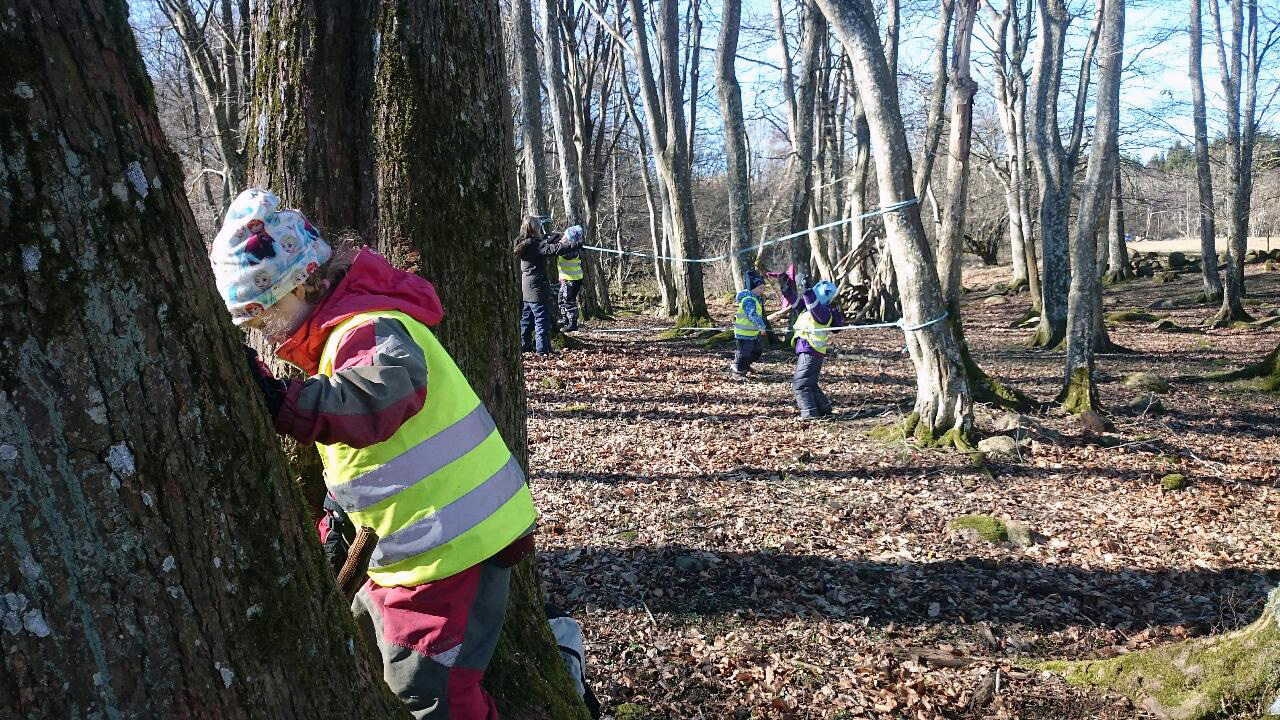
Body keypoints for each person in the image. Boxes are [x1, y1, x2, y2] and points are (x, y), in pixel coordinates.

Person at [210, 188, 538, 719]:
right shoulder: (343, 338)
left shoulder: (367, 326)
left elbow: (382, 396)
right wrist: (340, 511)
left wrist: (282, 402)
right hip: (428, 546)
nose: (268, 336)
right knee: (364, 638)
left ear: (308, 282)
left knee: (429, 693)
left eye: (265, 315)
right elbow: (376, 449)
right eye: (254, 326)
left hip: (453, 548)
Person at [515, 216, 580, 353]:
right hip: (536, 289)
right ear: (535, 229)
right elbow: (554, 249)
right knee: (542, 320)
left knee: (527, 319)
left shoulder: (526, 242)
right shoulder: (534, 245)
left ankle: (525, 346)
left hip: (527, 288)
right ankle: (542, 351)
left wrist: (554, 238)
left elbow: (546, 244)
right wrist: (573, 244)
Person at [792, 280, 843, 419]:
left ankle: (809, 414)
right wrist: (785, 283)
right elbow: (795, 303)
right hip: (810, 351)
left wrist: (808, 291)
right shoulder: (810, 308)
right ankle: (824, 409)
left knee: (800, 384)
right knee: (809, 383)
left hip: (811, 351)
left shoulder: (824, 311)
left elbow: (814, 307)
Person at [729, 270, 768, 376]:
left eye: (763, 287)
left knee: (757, 351)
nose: (762, 289)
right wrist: (761, 326)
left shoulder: (757, 299)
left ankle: (745, 365)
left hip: (752, 333)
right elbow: (752, 315)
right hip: (743, 333)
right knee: (743, 353)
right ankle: (738, 370)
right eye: (760, 287)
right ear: (753, 288)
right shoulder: (749, 300)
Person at [556, 225, 585, 332]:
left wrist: (560, 245)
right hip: (569, 279)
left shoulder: (570, 250)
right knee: (561, 299)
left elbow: (564, 253)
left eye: (565, 235)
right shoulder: (572, 246)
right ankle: (565, 320)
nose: (563, 236)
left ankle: (572, 323)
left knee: (568, 301)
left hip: (571, 279)